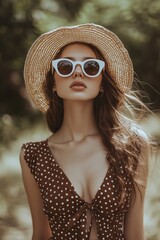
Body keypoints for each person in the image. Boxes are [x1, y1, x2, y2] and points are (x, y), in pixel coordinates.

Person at [20, 23, 150, 240]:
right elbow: (40, 235)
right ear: (53, 82)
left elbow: (135, 234)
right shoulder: (33, 156)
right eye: (65, 67)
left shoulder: (133, 145)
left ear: (101, 82)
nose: (78, 72)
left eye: (90, 67)